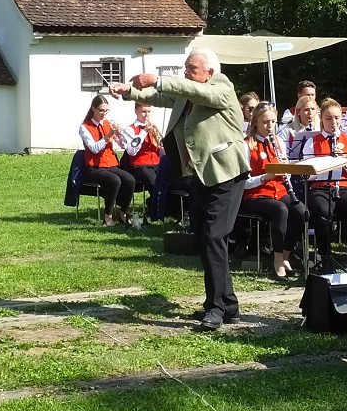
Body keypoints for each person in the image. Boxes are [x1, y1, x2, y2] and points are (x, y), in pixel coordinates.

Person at [111, 48, 249, 330]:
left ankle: (216, 308)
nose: (186, 72)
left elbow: (182, 90)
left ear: (209, 72)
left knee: (213, 237)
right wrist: (129, 91)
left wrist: (158, 79)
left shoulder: (221, 86)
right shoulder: (189, 91)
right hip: (200, 174)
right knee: (206, 239)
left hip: (226, 174)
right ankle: (229, 305)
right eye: (185, 67)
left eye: (191, 68)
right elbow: (161, 98)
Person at [236, 103, 307, 278]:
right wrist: (265, 177)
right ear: (255, 123)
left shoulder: (278, 142)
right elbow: (242, 183)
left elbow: (285, 173)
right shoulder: (247, 145)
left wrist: (287, 169)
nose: (270, 127)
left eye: (273, 122)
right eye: (265, 122)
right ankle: (276, 260)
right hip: (255, 194)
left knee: (301, 211)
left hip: (279, 191)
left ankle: (285, 255)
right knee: (280, 210)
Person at [302, 98, 347, 271]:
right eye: (329, 118)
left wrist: (342, 161)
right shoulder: (311, 142)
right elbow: (307, 175)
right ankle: (324, 256)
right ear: (321, 119)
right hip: (321, 186)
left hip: (345, 186)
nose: (333, 122)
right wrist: (324, 163)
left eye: (337, 118)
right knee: (322, 211)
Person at [79, 94, 135, 227]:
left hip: (111, 165)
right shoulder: (84, 127)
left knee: (130, 180)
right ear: (93, 109)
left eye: (106, 111)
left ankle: (123, 212)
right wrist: (108, 135)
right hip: (94, 167)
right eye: (101, 110)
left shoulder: (107, 124)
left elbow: (122, 145)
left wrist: (120, 135)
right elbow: (94, 148)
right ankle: (108, 215)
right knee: (115, 180)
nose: (104, 114)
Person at [122, 101, 162, 209]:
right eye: (143, 112)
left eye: (149, 111)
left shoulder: (153, 128)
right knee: (154, 183)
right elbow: (131, 151)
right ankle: (156, 208)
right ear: (136, 111)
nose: (147, 115)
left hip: (156, 163)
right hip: (140, 166)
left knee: (171, 178)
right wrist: (144, 131)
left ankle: (167, 207)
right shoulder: (130, 129)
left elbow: (159, 150)